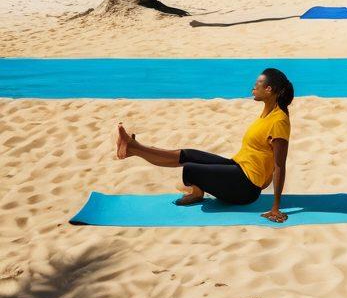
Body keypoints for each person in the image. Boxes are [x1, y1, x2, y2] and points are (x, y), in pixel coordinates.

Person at [114, 68, 294, 222]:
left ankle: (196, 191)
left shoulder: (279, 121)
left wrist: (276, 207)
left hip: (246, 187)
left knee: (191, 169)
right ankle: (133, 148)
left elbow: (279, 166)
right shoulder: (266, 113)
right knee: (189, 154)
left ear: (269, 89)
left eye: (258, 83)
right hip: (238, 167)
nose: (253, 87)